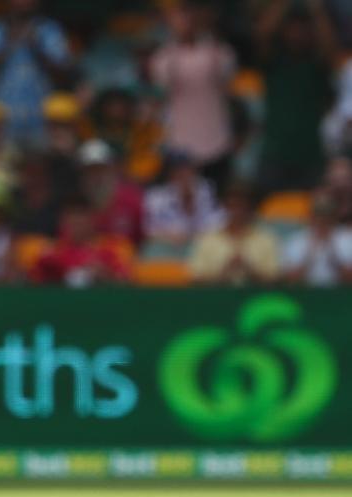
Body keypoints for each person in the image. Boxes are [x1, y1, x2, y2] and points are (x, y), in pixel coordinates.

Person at [149, 1, 236, 188]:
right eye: (180, 17)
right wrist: (176, 39)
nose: (186, 22)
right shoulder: (163, 57)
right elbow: (161, 81)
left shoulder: (218, 51)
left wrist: (209, 33)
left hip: (216, 141)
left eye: (189, 16)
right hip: (181, 143)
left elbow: (226, 72)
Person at [255, 0, 337, 192]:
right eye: (292, 27)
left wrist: (316, 9)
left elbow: (331, 50)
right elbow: (262, 35)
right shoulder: (273, 62)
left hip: (311, 155)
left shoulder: (316, 65)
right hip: (274, 154)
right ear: (283, 31)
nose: (297, 33)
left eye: (302, 27)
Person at [0, 0, 74, 143]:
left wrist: (36, 46)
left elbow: (64, 72)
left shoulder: (49, 29)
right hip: (2, 117)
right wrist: (8, 44)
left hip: (40, 117)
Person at [189, 182, 279, 285]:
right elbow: (195, 280)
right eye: (232, 206)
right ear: (225, 207)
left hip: (256, 299)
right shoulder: (207, 239)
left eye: (242, 206)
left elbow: (276, 279)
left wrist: (250, 271)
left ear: (251, 208)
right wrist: (222, 273)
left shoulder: (266, 239)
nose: (237, 211)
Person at [31, 194, 130, 286]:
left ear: (93, 219)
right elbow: (32, 281)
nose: (76, 222)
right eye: (71, 216)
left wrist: (107, 275)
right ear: (62, 221)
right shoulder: (52, 252)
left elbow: (126, 281)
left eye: (81, 215)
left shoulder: (112, 248)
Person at [144, 151, 224, 249]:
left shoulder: (207, 189)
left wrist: (191, 202)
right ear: (169, 174)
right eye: (177, 171)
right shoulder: (155, 196)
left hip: (201, 245)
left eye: (187, 170)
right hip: (167, 246)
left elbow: (221, 222)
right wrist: (167, 235)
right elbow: (146, 229)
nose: (183, 174)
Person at [281, 190, 352, 286]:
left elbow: (349, 278)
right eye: (318, 214)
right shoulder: (297, 240)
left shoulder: (348, 238)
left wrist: (333, 253)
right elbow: (290, 280)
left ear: (334, 216)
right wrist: (309, 256)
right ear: (311, 216)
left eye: (327, 214)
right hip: (305, 295)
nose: (322, 219)